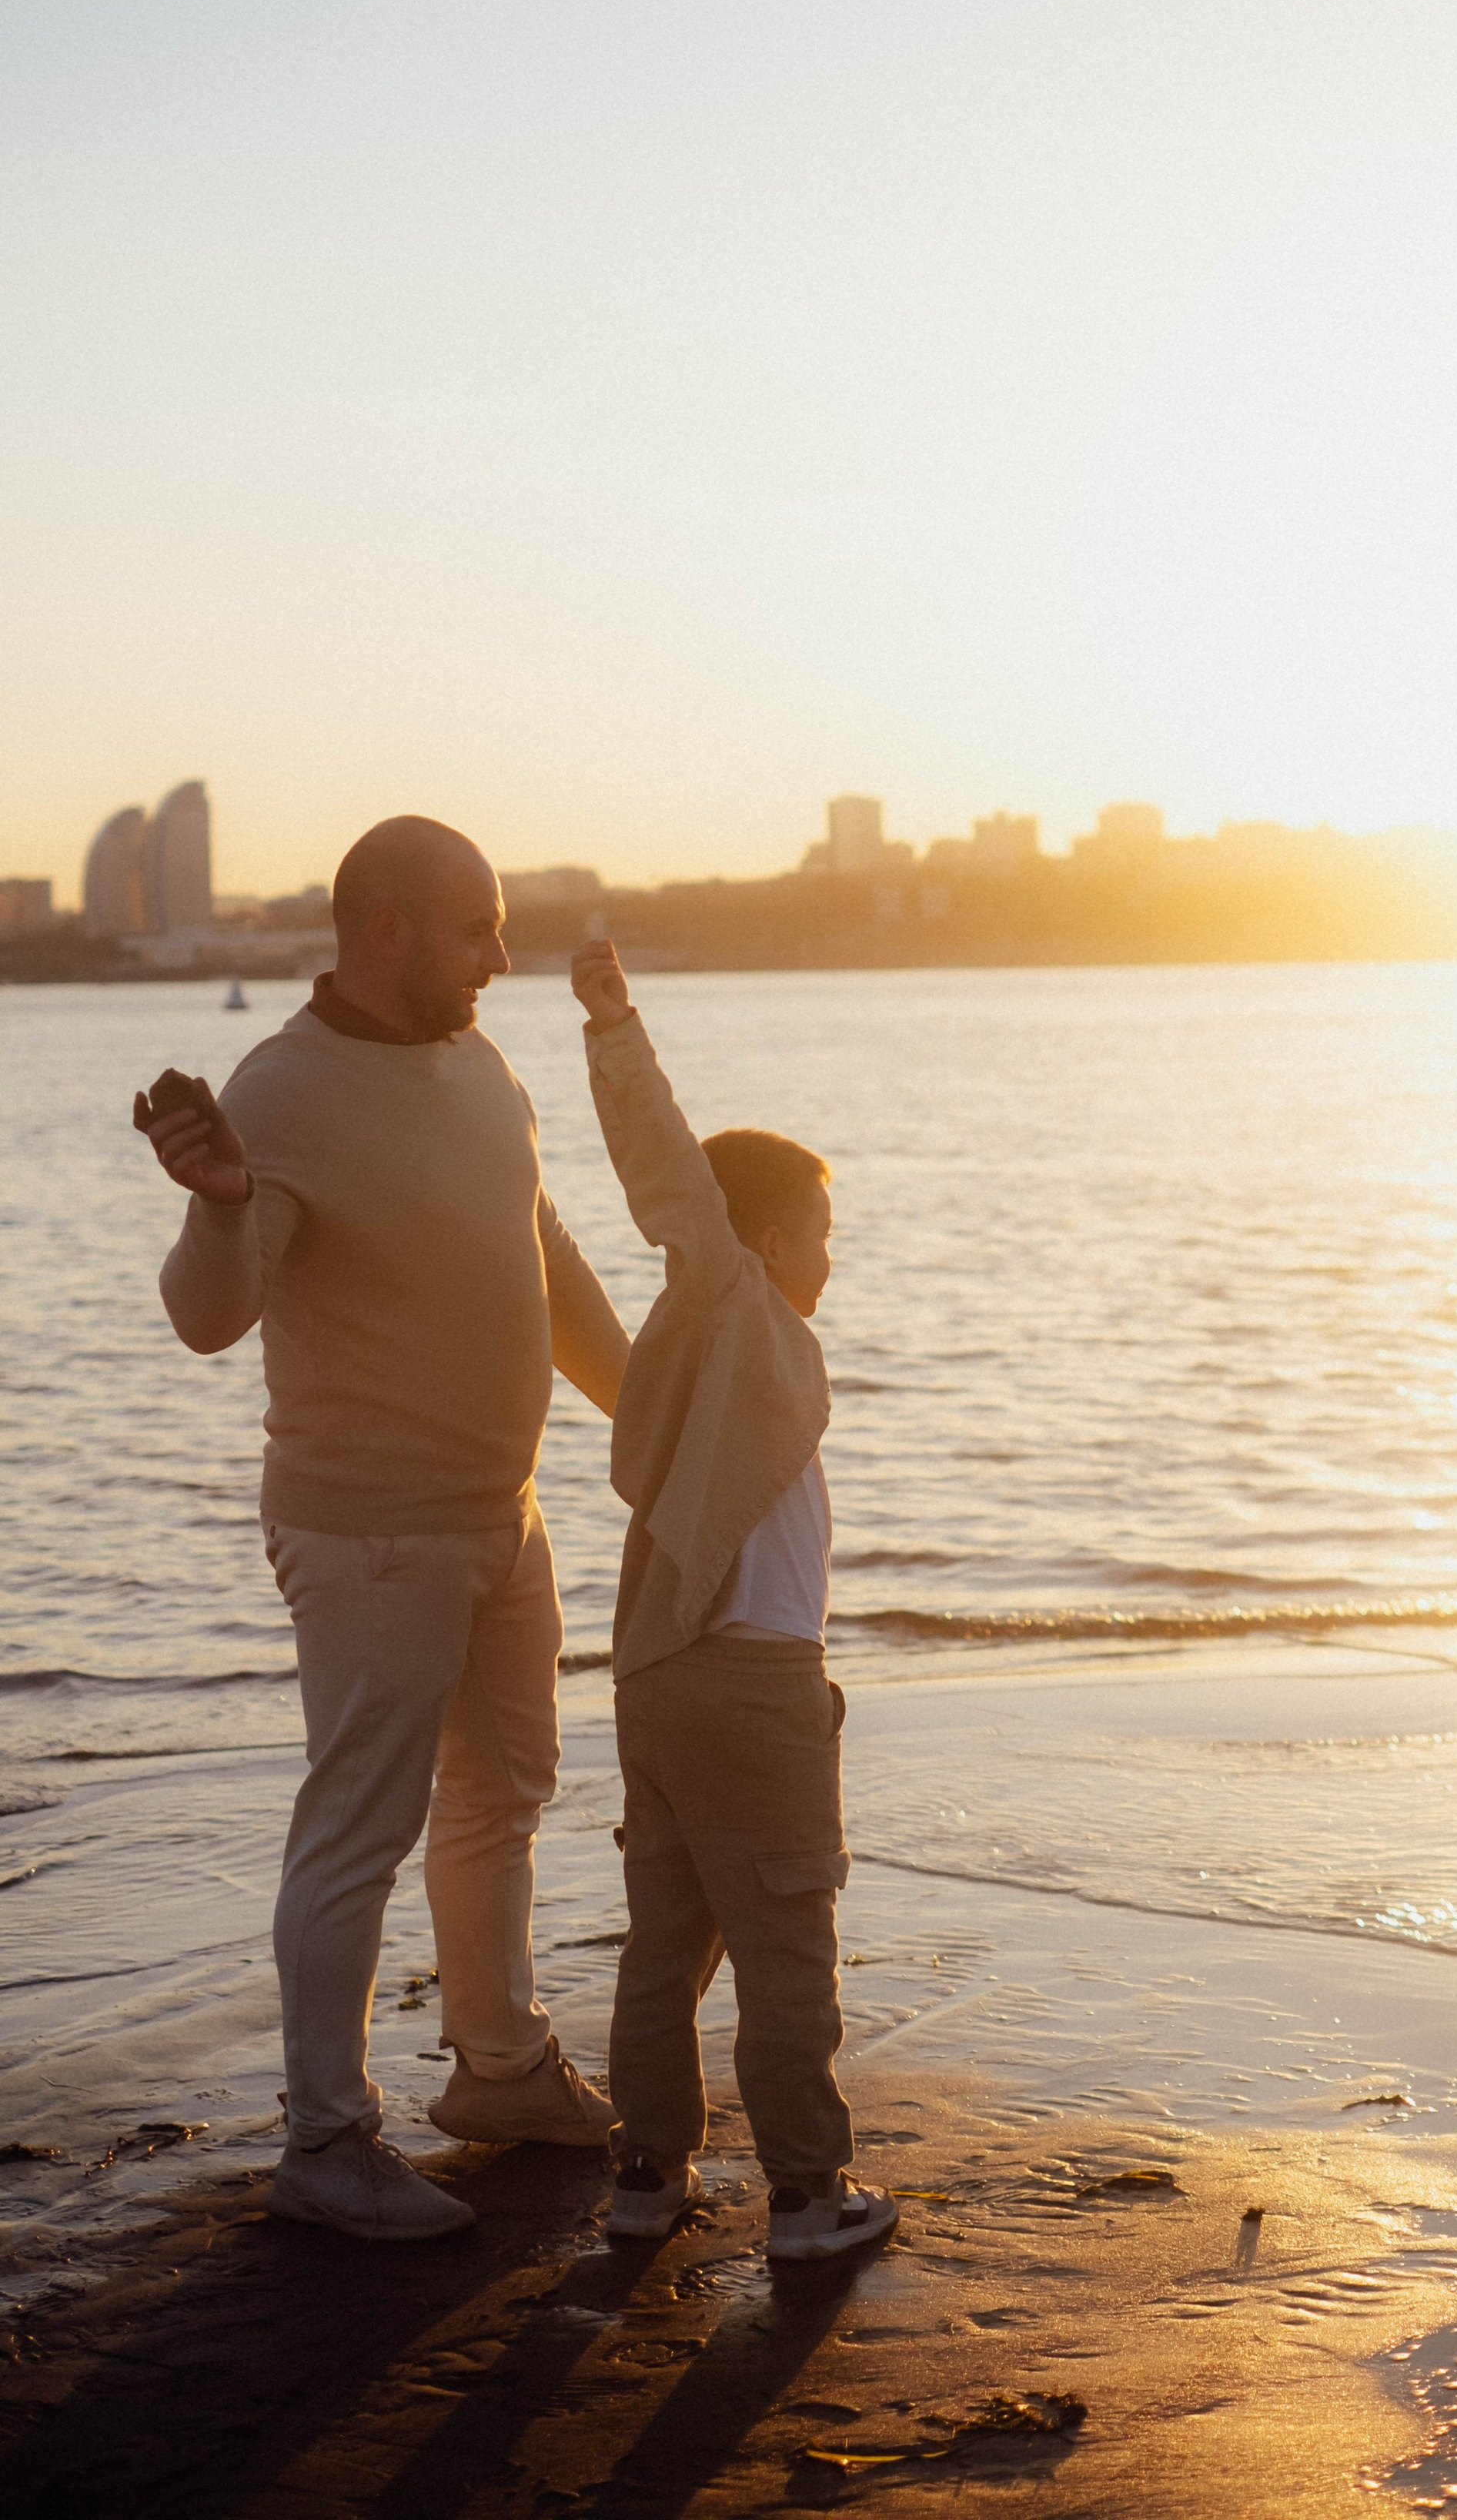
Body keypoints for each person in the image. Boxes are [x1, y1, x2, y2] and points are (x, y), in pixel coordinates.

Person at [135, 818, 630, 2242]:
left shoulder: (481, 1060)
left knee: (501, 1800)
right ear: (388, 929)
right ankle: (327, 2140)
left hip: (501, 1515)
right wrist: (221, 1204)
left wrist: (650, 1423)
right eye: (477, 927)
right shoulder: (279, 1090)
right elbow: (209, 1318)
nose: (501, 954)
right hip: (369, 1533)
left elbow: (544, 1254)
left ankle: (499, 2070)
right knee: (360, 1827)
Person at [570, 935, 897, 2264]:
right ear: (768, 1242)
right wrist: (614, 1025)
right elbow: (668, 1177)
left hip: (659, 1677)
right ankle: (811, 2200)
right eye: (823, 1234)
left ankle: (648, 2175)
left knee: (671, 1934)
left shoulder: (715, 1342)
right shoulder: (735, 1302)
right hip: (743, 1680)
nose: (833, 1258)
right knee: (786, 1940)